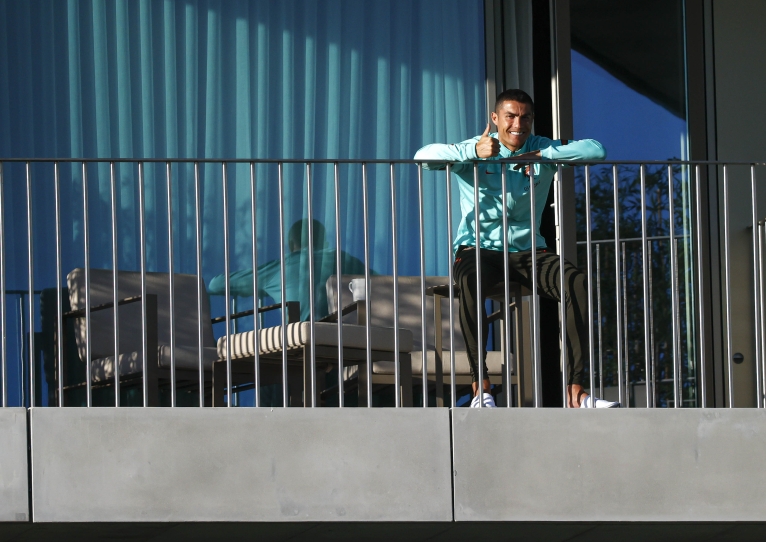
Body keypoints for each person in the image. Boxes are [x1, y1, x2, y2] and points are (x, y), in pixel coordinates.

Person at [415, 88, 619, 408]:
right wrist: (472, 154)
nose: (517, 124)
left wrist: (540, 156)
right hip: (476, 248)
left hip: (528, 252)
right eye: (510, 116)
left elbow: (596, 150)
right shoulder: (475, 148)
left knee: (575, 281)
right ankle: (480, 389)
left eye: (525, 117)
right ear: (495, 119)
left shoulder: (542, 147)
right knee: (470, 280)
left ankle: (576, 393)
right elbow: (422, 157)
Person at [208, 219, 367, 322]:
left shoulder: (282, 268)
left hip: (301, 343)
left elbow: (216, 284)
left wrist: (264, 286)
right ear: (324, 243)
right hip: (347, 337)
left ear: (291, 245)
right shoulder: (344, 259)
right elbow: (381, 283)